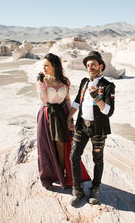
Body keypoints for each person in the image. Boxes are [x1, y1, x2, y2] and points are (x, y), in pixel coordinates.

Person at [67, 51, 115, 206]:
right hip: (82, 126)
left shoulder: (108, 86)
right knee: (74, 156)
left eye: (93, 64)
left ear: (101, 66)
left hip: (98, 129)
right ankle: (77, 190)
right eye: (88, 65)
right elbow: (77, 102)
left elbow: (108, 111)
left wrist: (96, 97)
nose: (90, 67)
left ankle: (95, 189)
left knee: (97, 160)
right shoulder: (84, 82)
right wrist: (69, 117)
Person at [36, 53, 90, 190]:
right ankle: (52, 175)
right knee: (48, 146)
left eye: (46, 65)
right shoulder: (43, 81)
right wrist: (40, 83)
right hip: (48, 114)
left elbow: (67, 101)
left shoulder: (65, 81)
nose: (44, 68)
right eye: (43, 65)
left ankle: (62, 176)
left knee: (62, 145)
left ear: (54, 66)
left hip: (62, 114)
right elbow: (43, 100)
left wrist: (70, 119)